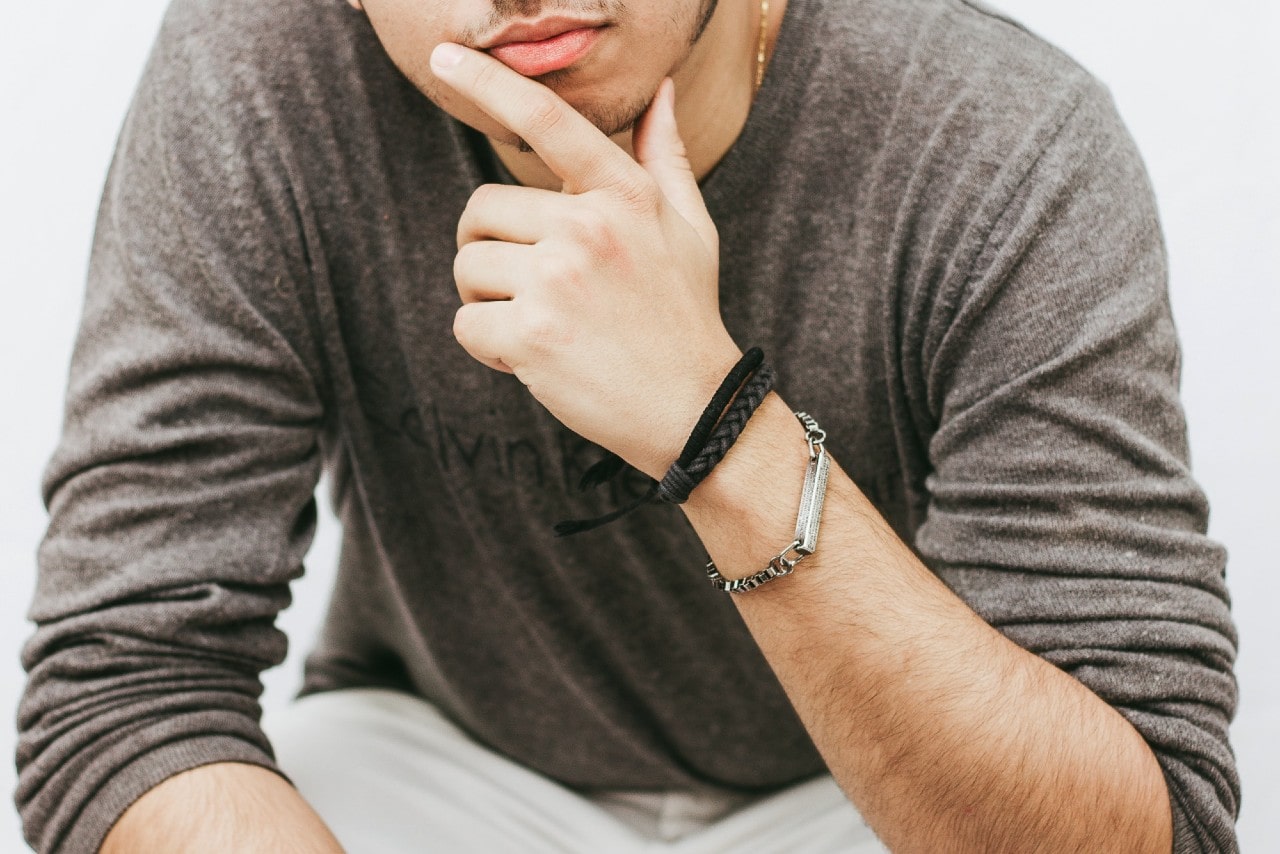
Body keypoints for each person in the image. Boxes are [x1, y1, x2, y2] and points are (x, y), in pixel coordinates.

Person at [15, 0, 1240, 850]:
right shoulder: (259, 76)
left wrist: (713, 425)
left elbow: (1154, 827)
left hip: (870, 794)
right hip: (442, 763)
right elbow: (123, 684)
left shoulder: (1000, 140)